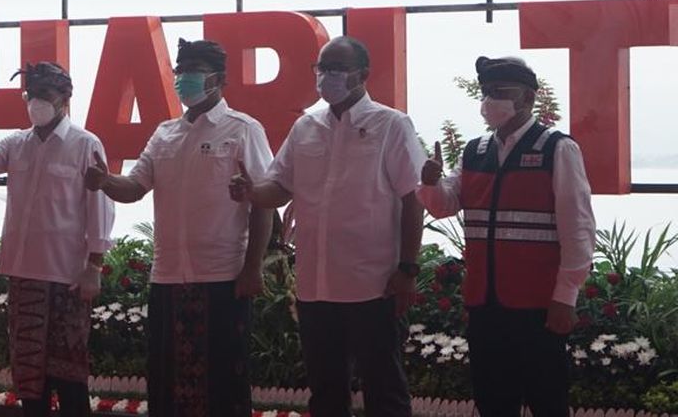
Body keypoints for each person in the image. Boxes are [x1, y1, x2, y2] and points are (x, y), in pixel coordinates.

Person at [230, 36, 423, 417]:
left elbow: (412, 199)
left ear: (362, 75)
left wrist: (408, 269)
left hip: (373, 284)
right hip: (316, 286)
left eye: (335, 69)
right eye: (321, 68)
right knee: (326, 392)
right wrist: (252, 193)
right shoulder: (307, 127)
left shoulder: (391, 124)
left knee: (384, 389)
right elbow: (279, 188)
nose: (325, 77)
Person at [84, 38, 273, 417]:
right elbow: (135, 187)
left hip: (223, 275)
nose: (184, 79)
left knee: (223, 381)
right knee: (167, 380)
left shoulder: (243, 129)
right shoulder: (164, 133)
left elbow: (263, 200)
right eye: (180, 72)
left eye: (194, 72)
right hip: (168, 276)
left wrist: (253, 269)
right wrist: (105, 181)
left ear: (217, 79)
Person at [0, 62, 114, 417]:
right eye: (32, 95)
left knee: (70, 375)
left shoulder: (85, 144)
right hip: (24, 275)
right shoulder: (18, 143)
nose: (37, 103)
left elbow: (100, 207)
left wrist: (95, 265)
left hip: (67, 277)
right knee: (29, 375)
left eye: (46, 95)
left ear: (64, 99)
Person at [418, 56, 596, 417]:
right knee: (493, 400)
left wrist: (567, 296)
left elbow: (578, 229)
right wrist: (430, 183)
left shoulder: (557, 148)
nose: (489, 101)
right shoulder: (475, 151)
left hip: (539, 305)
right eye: (485, 93)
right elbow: (445, 205)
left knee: (547, 399)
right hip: (486, 304)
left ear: (528, 98)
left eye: (500, 92)